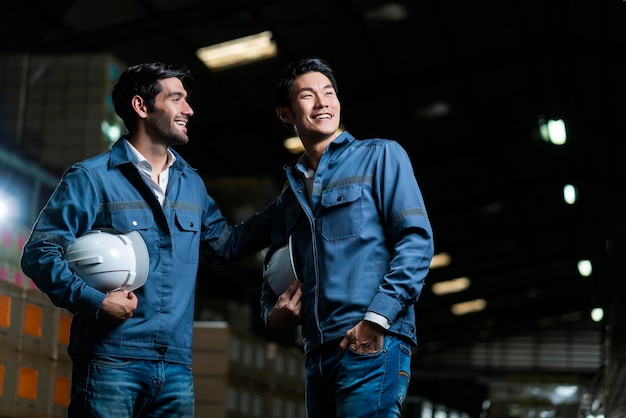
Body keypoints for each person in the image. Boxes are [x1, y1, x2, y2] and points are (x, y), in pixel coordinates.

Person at [20, 62, 272, 417]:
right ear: (141, 106)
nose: (189, 109)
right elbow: (39, 254)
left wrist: (287, 206)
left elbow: (224, 246)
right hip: (111, 358)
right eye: (177, 99)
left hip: (176, 366)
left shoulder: (192, 185)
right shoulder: (93, 178)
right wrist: (95, 302)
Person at [259, 57, 434, 417]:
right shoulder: (291, 193)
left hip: (370, 343)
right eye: (308, 96)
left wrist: (375, 320)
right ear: (285, 114)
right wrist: (271, 316)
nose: (323, 103)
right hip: (317, 352)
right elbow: (274, 262)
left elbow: (416, 241)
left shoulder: (380, 155)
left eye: (329, 92)